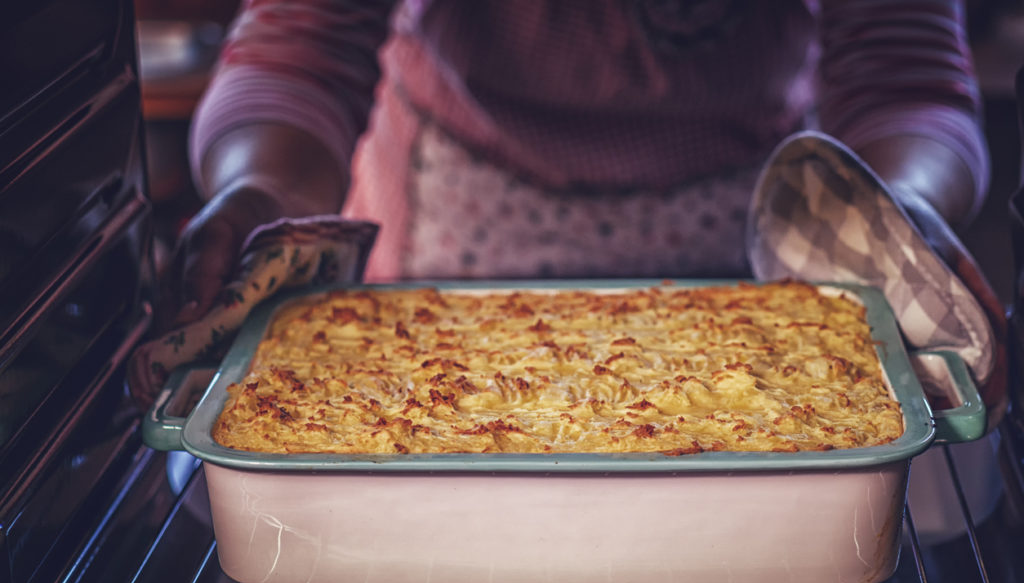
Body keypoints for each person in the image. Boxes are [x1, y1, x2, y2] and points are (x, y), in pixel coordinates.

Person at [156, 0, 995, 332]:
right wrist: (259, 195)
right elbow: (302, 52)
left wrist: (902, 209)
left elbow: (902, 74)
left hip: (749, 230)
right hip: (463, 228)